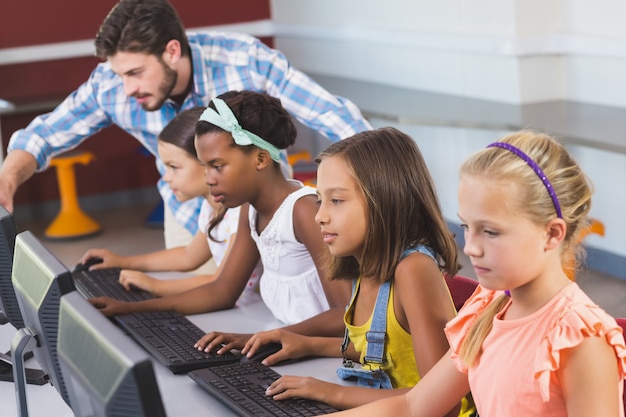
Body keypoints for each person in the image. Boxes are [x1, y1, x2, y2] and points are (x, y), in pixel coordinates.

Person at [0, 0, 371, 250]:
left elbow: (331, 115)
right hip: (186, 217)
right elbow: (45, 134)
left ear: (172, 52)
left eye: (135, 73)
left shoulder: (242, 59)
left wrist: (385, 175)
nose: (127, 88)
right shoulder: (111, 85)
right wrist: (8, 178)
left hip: (265, 215)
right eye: (119, 74)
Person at [325, 130, 626, 417]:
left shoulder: (580, 339)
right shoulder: (488, 306)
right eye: (467, 227)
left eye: (490, 232)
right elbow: (414, 406)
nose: (471, 248)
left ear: (551, 234)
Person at [203, 127, 472, 415]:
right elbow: (388, 352)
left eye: (337, 201)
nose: (320, 216)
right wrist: (307, 345)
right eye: (320, 200)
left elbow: (445, 404)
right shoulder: (363, 264)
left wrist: (331, 393)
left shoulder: (413, 270)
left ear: (385, 200)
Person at [90, 91, 351, 330]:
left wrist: (263, 338)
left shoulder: (303, 210)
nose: (209, 178)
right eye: (204, 167)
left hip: (328, 353)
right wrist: (131, 309)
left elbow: (346, 315)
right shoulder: (250, 209)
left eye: (217, 165)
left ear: (260, 159)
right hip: (286, 336)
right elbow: (222, 291)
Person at [78, 107, 261, 305]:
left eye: (174, 167)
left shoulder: (242, 212)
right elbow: (189, 256)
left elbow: (222, 281)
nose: (165, 177)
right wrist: (123, 262)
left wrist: (157, 287)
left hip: (259, 312)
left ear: (209, 163)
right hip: (241, 307)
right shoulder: (212, 209)